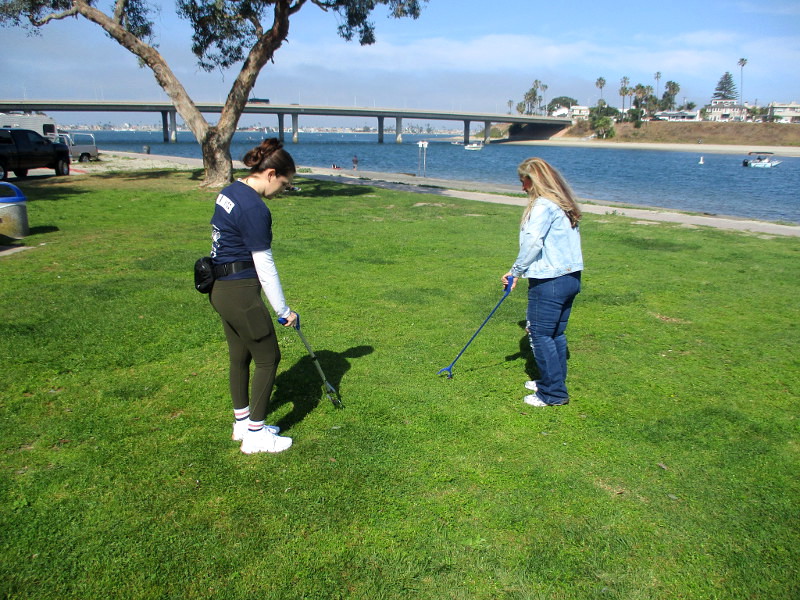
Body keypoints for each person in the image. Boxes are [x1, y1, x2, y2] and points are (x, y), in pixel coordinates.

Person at [208, 138, 298, 453]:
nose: (283, 190)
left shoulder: (231, 191)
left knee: (240, 355)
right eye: (284, 184)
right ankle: (256, 435)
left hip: (220, 288)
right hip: (240, 293)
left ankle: (242, 424)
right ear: (271, 174)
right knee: (268, 358)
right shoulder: (255, 208)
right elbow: (265, 266)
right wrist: (284, 311)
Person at [501, 157, 584, 407]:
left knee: (540, 335)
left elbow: (532, 243)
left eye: (523, 181)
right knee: (555, 333)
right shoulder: (563, 204)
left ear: (533, 179)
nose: (522, 187)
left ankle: (553, 394)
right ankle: (552, 381)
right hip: (570, 278)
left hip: (551, 281)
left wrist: (515, 272)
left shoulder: (543, 206)